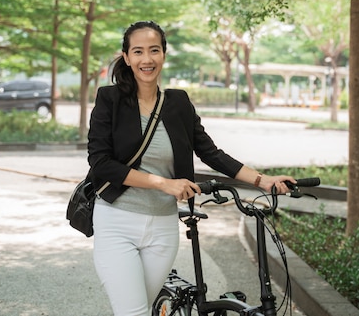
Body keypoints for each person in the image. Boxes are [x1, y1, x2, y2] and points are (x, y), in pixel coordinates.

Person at [87, 20, 296, 316]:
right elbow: (101, 163)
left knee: (139, 309)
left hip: (162, 227)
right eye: (138, 52)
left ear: (163, 55)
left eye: (154, 50)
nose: (147, 59)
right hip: (117, 222)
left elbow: (211, 152)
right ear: (126, 57)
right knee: (131, 313)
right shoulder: (109, 100)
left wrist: (262, 181)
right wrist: (164, 184)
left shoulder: (178, 103)